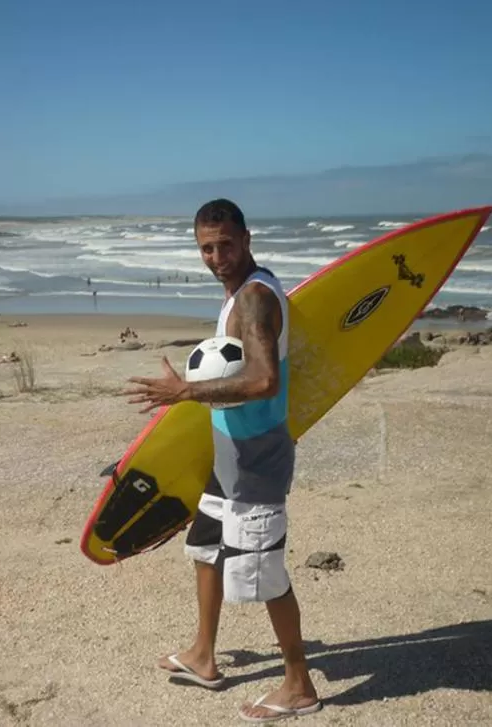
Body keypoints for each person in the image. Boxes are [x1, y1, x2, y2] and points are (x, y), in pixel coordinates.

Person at [123, 199, 321, 722]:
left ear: (247, 238)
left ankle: (299, 684)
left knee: (264, 569)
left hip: (256, 458)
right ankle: (203, 657)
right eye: (206, 248)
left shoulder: (254, 298)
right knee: (206, 548)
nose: (216, 257)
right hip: (228, 453)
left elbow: (262, 380)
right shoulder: (238, 291)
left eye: (225, 245)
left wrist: (184, 392)